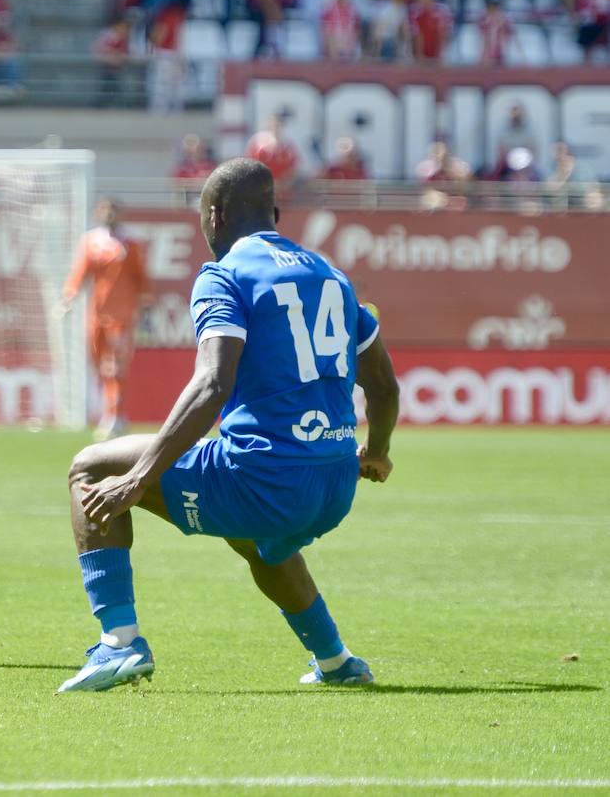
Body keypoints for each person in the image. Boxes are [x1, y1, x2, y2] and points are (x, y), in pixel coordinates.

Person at [57, 158, 399, 693]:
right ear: (275, 214)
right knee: (260, 541)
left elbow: (213, 383)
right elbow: (383, 386)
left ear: (213, 216)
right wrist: (376, 452)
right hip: (335, 483)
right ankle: (336, 660)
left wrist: (139, 477)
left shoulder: (225, 274)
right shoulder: (331, 275)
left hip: (265, 479)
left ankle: (119, 644)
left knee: (91, 467)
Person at [58, 199, 151, 441]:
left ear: (119, 214)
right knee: (99, 364)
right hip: (96, 314)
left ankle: (113, 417)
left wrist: (147, 305)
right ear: (98, 213)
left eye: (113, 210)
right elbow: (81, 271)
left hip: (121, 315)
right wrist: (69, 296)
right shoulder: (91, 241)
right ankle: (112, 414)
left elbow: (141, 277)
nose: (109, 214)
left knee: (114, 367)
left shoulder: (129, 243)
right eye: (104, 210)